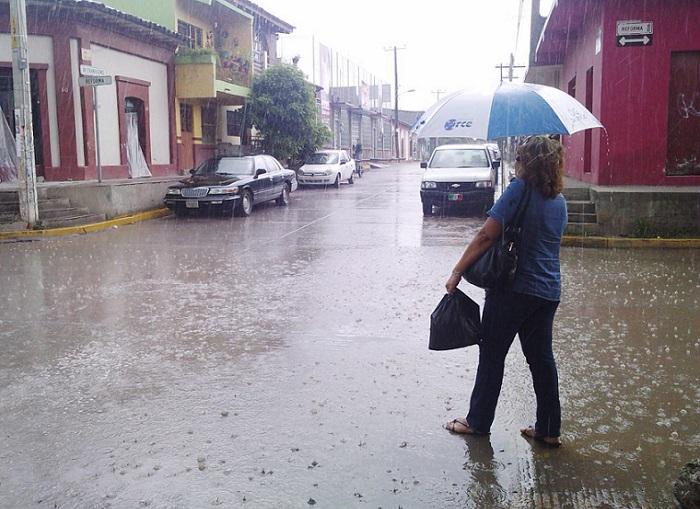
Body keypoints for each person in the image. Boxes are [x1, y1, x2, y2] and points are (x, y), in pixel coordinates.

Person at [443, 135, 568, 447]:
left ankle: (477, 422)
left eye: (521, 157)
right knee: (542, 360)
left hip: (513, 290)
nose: (518, 162)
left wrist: (458, 270)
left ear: (528, 163)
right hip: (548, 291)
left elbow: (487, 235)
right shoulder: (560, 201)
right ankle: (549, 429)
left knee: (492, 354)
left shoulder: (518, 190)